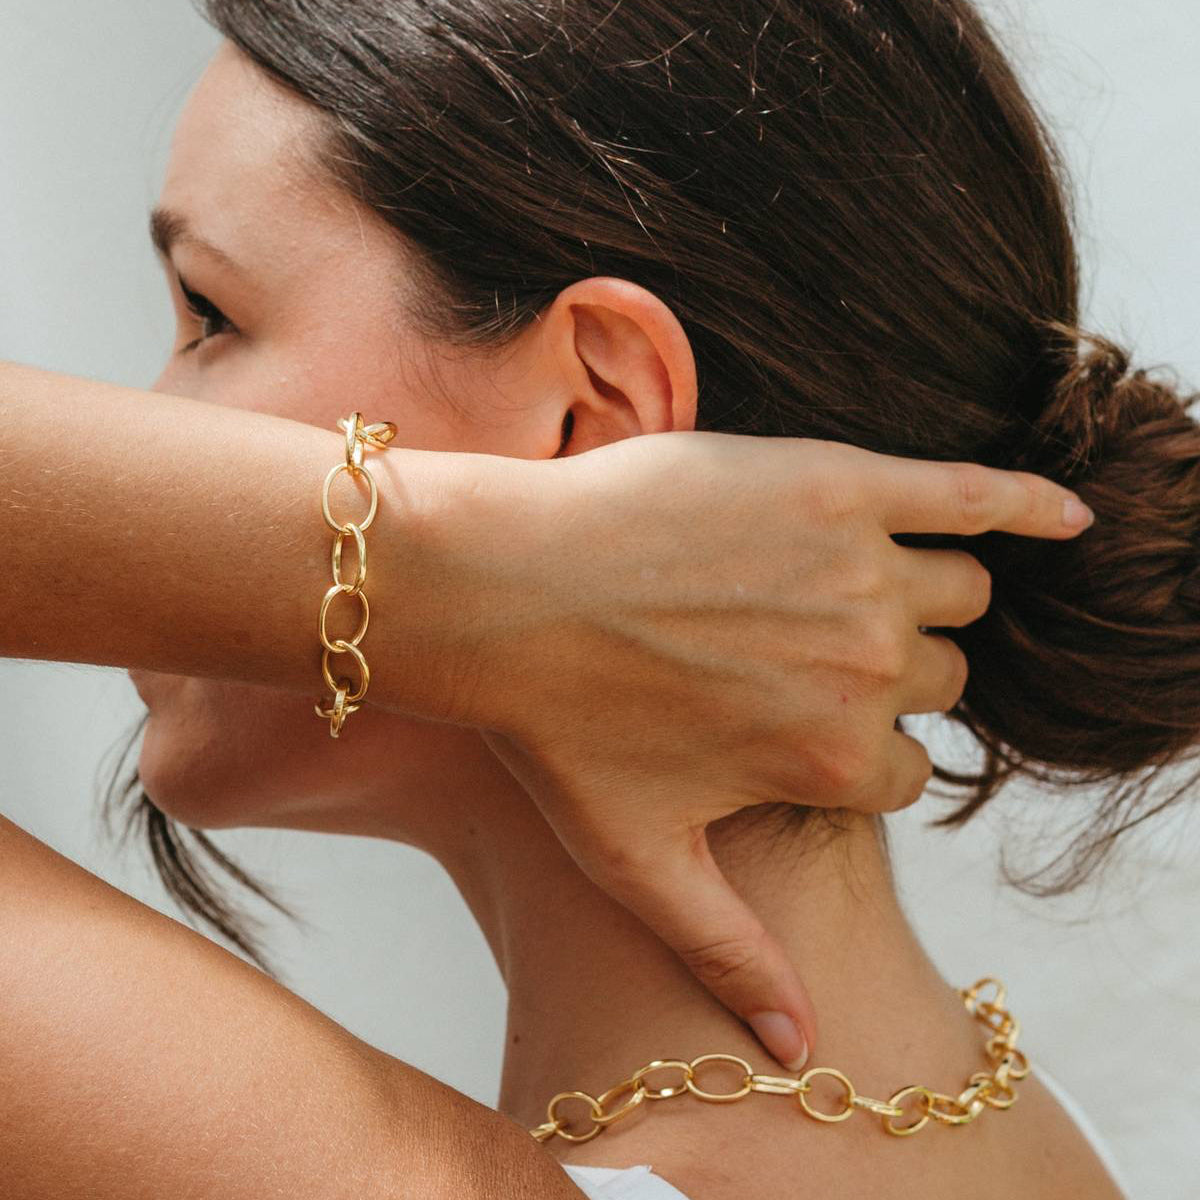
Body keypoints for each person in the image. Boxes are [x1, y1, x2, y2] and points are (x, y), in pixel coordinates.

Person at [2, 0, 1193, 1193]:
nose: (144, 428)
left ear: (593, 418)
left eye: (213, 316)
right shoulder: (1029, 1128)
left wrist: (441, 561)